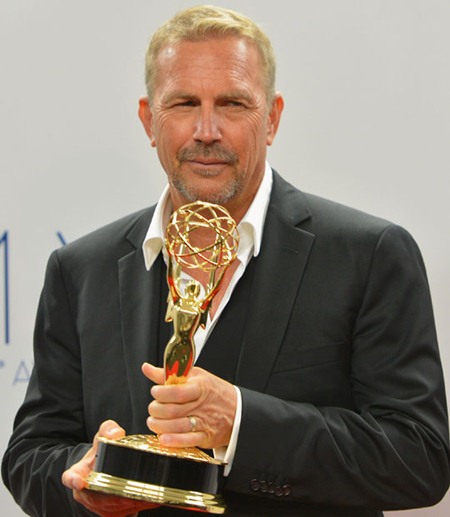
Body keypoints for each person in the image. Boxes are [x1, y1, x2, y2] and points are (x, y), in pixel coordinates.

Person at [2, 5, 450, 517]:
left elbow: (419, 457)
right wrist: (88, 475)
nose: (206, 130)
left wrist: (240, 422)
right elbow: (29, 456)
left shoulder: (368, 256)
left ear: (272, 118)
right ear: (149, 120)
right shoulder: (81, 269)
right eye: (184, 103)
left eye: (233, 104)